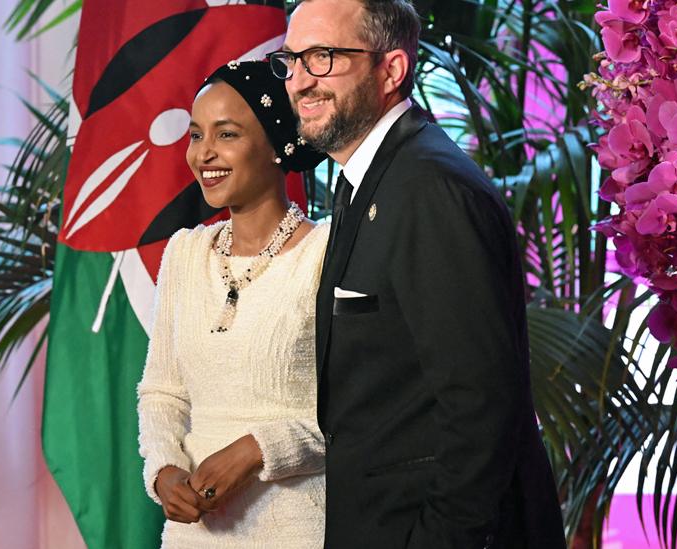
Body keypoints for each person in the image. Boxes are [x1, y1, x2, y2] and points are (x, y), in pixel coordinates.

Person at [268, 0, 567, 547]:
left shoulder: (431, 189)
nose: (300, 81)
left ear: (392, 69)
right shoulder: (368, 181)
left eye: (323, 57)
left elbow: (481, 407)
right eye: (291, 60)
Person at [136, 60, 327, 549]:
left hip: (298, 530)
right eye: (196, 135)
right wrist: (165, 470)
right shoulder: (184, 253)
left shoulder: (326, 253)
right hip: (192, 534)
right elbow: (162, 391)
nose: (204, 154)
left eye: (227, 135)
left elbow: (360, 411)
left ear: (276, 145)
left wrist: (258, 449)